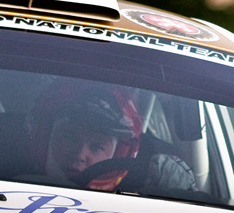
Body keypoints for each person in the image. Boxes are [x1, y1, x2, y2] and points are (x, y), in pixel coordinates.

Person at [26, 82, 196, 194]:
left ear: (119, 153)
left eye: (97, 146)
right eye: (69, 137)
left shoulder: (142, 197)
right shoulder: (3, 166)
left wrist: (177, 191)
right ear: (46, 135)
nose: (80, 154)